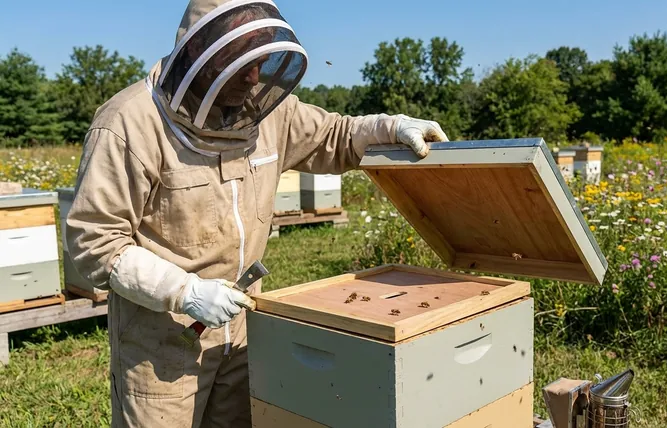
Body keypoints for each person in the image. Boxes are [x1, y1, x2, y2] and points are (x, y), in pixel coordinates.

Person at [64, 1, 449, 427]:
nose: (253, 77)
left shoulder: (266, 113)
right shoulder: (128, 124)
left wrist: (390, 127)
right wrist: (185, 292)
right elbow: (95, 244)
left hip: (246, 329)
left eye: (260, 59)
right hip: (163, 342)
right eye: (240, 59)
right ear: (198, 53)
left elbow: (334, 136)